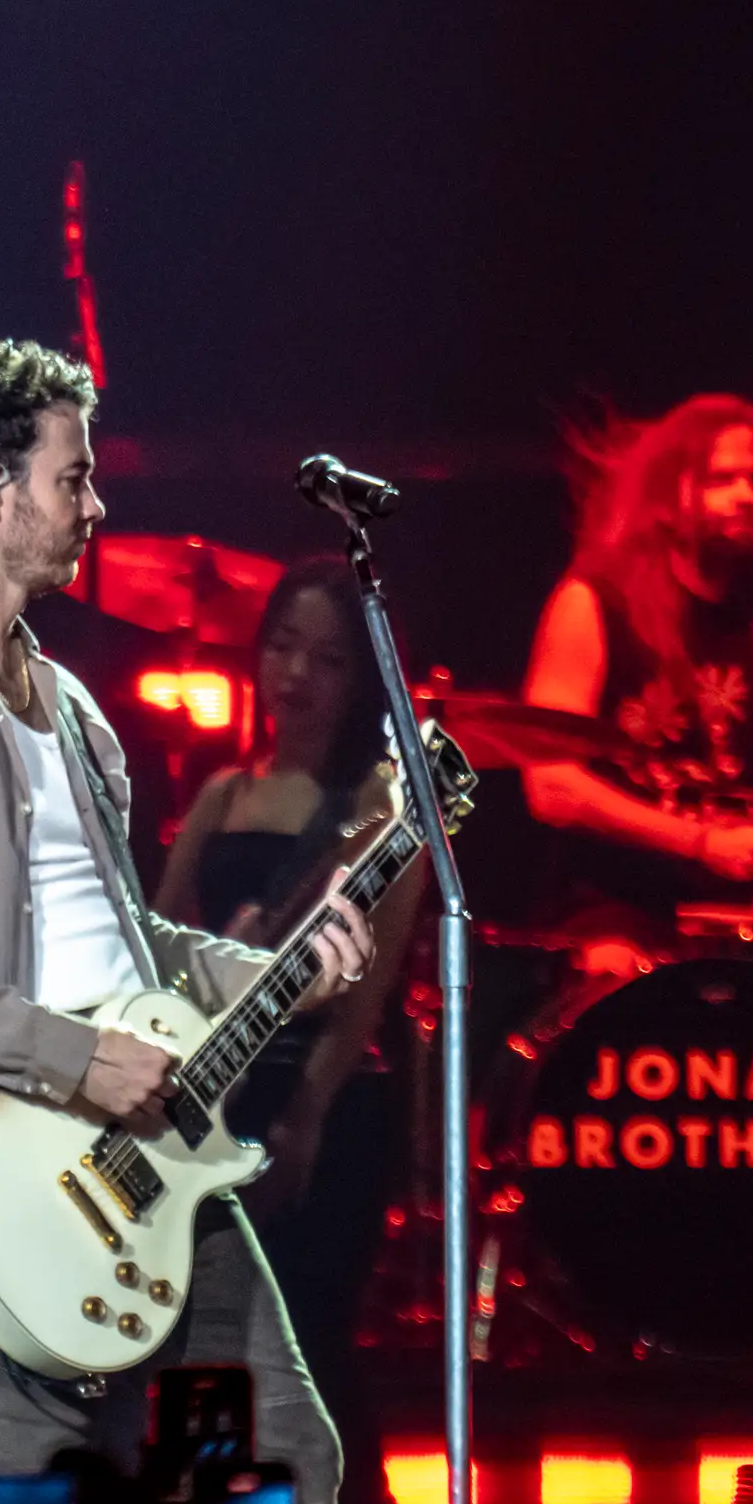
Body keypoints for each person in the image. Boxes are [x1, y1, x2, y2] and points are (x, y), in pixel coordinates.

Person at [0, 339, 373, 1504]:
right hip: (8, 1196)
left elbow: (133, 948)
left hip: (155, 1164)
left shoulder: (70, 711)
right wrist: (78, 1061)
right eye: (74, 477)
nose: (98, 505)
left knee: (284, 1483)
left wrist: (276, 973)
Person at [154, 558, 424, 1411]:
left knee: (304, 1346)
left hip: (326, 1098)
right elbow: (152, 957)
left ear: (361, 679)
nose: (297, 674)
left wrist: (306, 1113)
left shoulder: (378, 804)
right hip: (213, 1095)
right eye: (283, 647)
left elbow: (367, 990)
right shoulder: (223, 795)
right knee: (204, 1352)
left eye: (329, 659)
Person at [519, 394, 753, 973]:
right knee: (617, 986)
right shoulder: (594, 603)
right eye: (723, 480)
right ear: (668, 494)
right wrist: (699, 842)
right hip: (615, 903)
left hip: (747, 913)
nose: (749, 496)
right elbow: (550, 786)